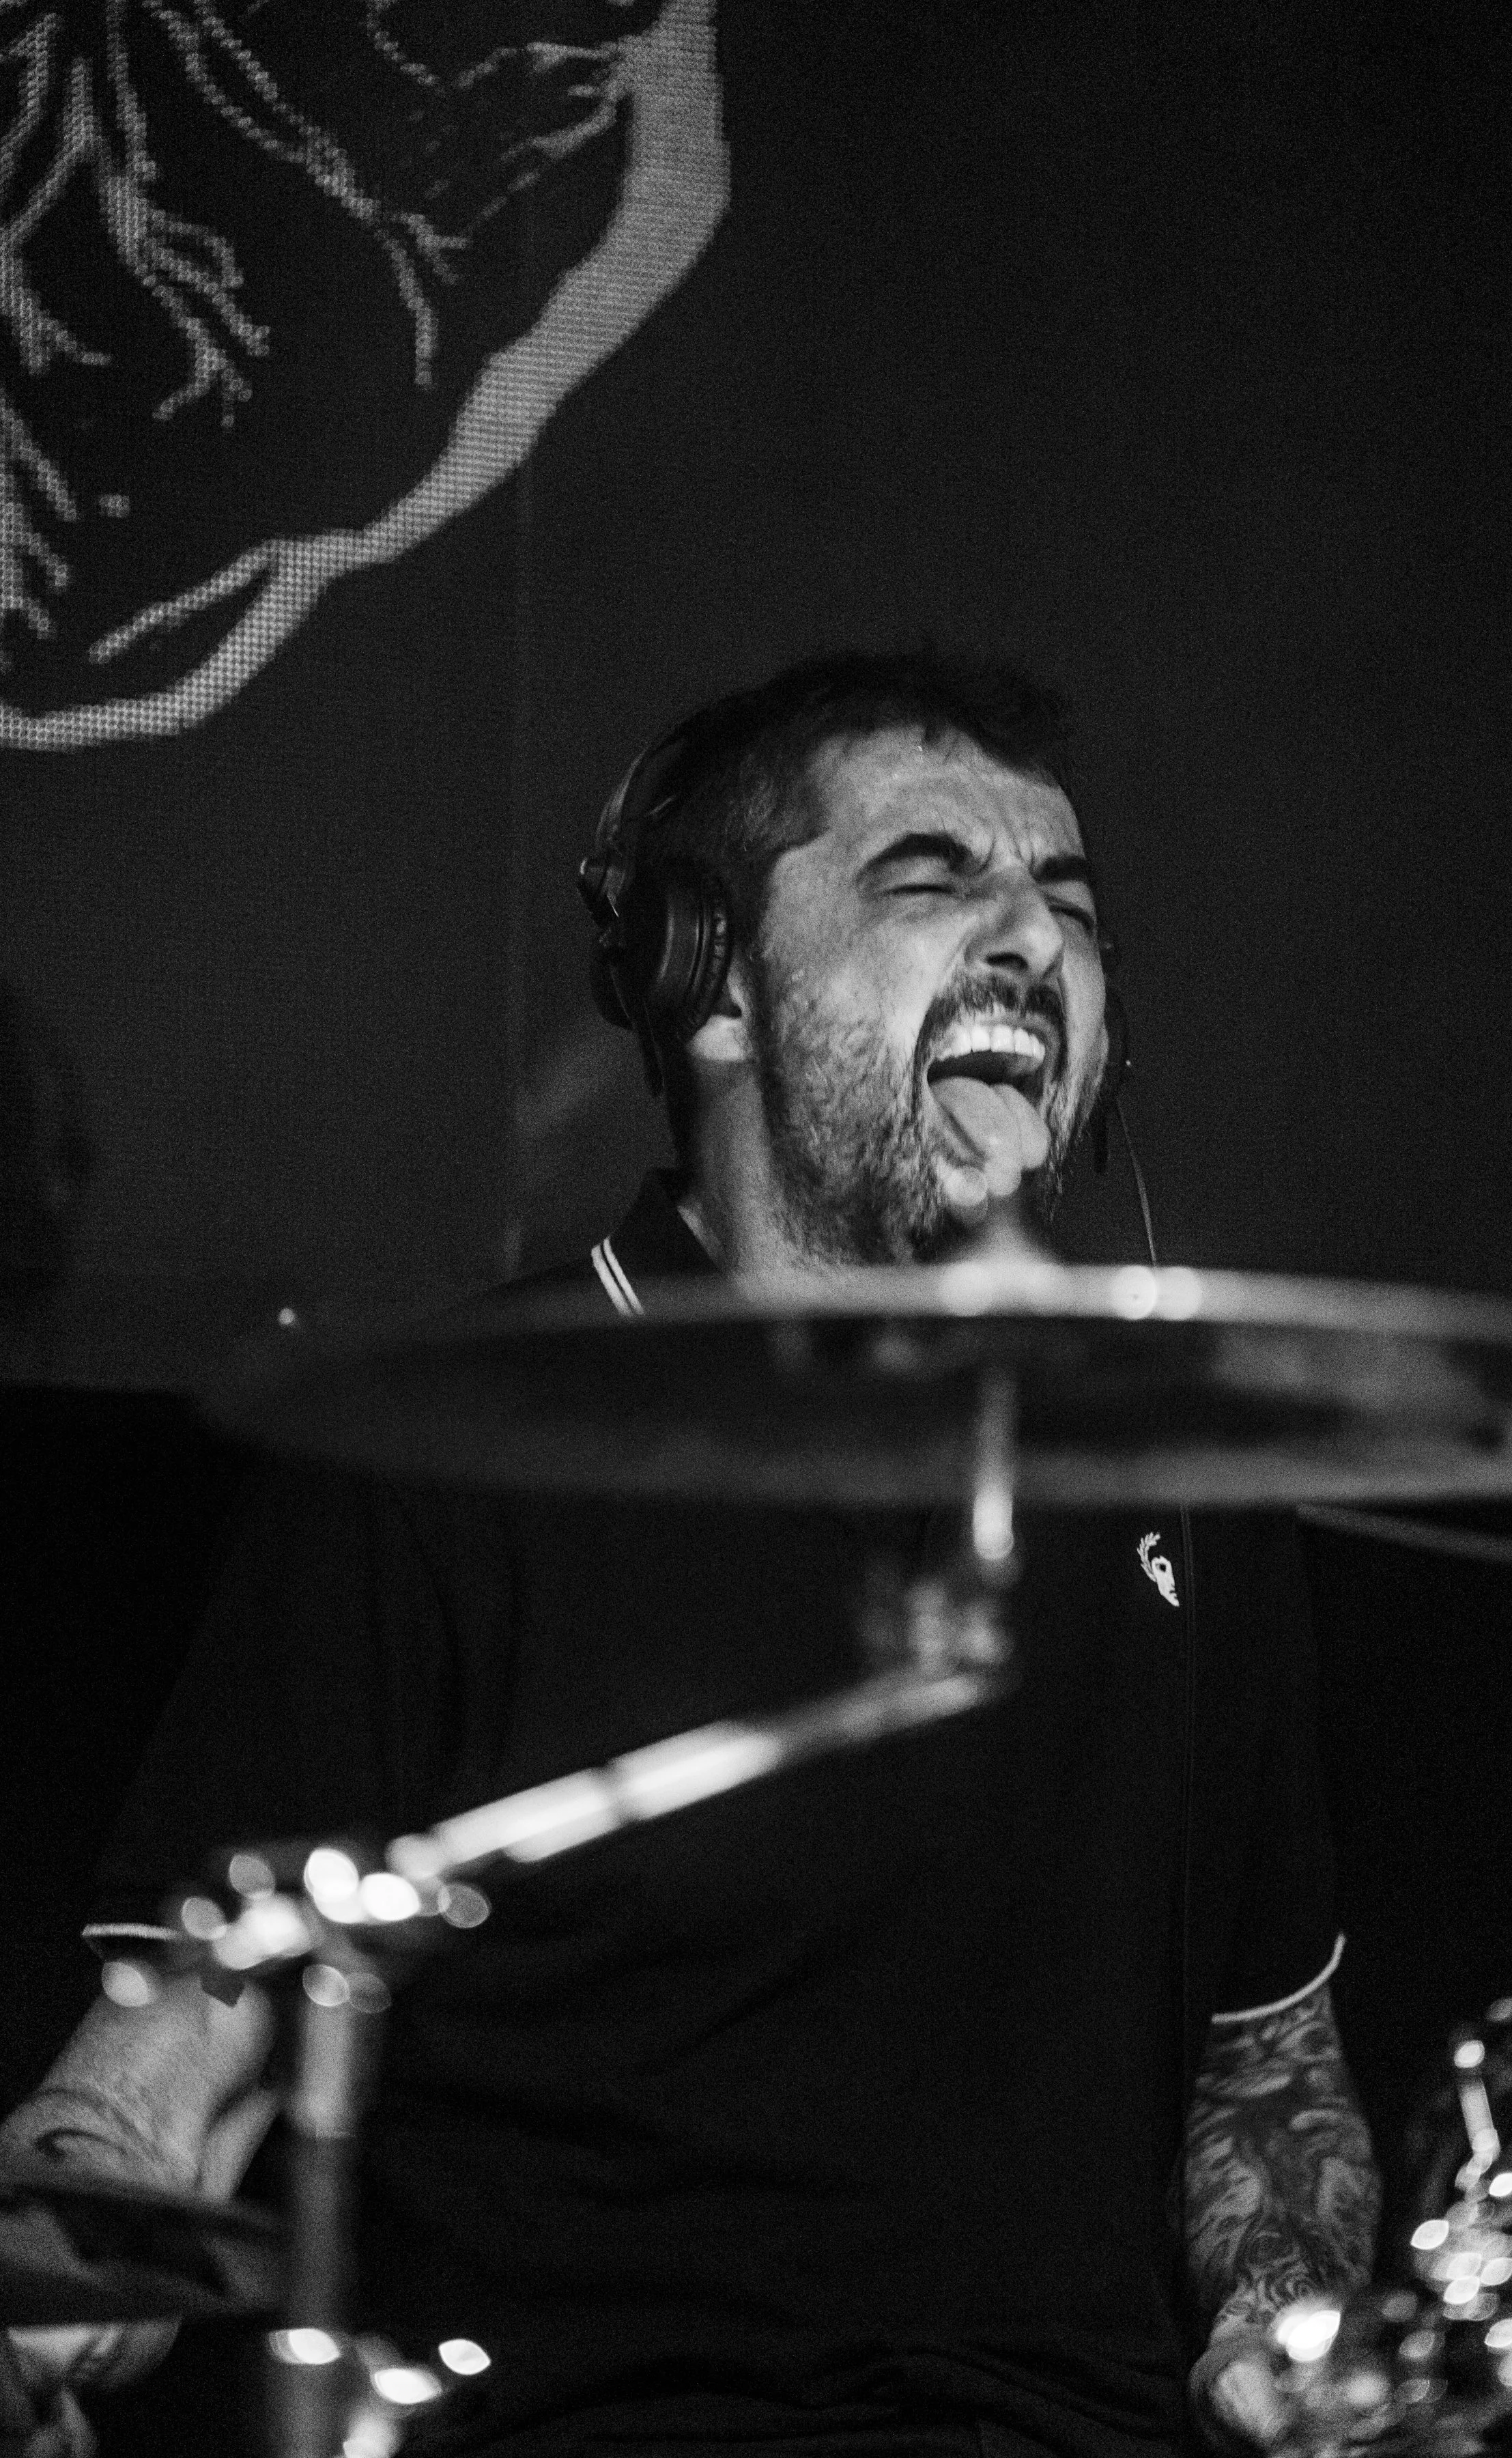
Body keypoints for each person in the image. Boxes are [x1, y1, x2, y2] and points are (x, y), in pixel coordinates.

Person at [1, 651, 1380, 2458]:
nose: (1032, 944)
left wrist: (1287, 2332)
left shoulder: (1190, 1468)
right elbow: (178, 2069)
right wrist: (48, 2278)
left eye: (1070, 903)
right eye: (932, 882)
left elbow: (1266, 2086)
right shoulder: (449, 1447)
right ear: (711, 978)